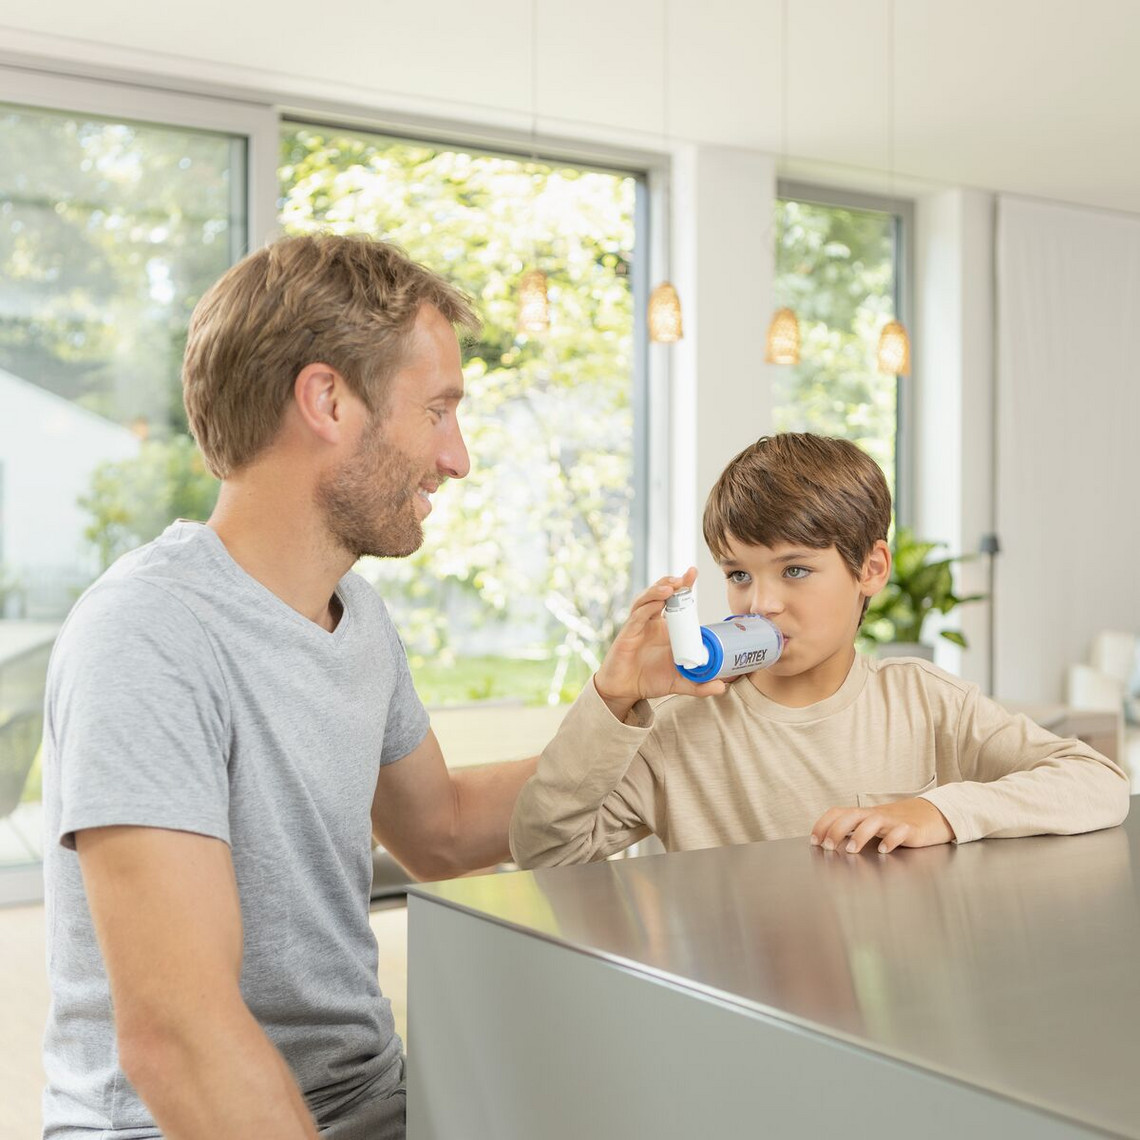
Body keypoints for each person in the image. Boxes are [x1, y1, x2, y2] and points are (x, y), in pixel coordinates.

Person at [41, 233, 537, 1139]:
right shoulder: (148, 634)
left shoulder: (357, 615)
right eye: (437, 410)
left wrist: (639, 727)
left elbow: (444, 829)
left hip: (368, 1103)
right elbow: (179, 1041)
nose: (457, 457)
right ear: (327, 401)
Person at [509, 432, 1130, 867]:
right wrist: (614, 697)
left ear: (871, 568)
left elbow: (1098, 782)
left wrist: (938, 813)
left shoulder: (924, 701)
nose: (761, 604)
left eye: (795, 571)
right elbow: (545, 851)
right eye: (739, 574)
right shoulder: (676, 729)